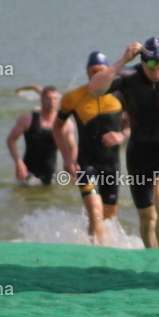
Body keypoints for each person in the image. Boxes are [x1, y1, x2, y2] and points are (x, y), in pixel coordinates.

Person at [88, 35, 159, 249]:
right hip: (138, 155)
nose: (157, 74)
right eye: (151, 69)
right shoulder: (129, 77)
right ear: (142, 62)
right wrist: (121, 61)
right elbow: (94, 89)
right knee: (147, 217)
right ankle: (152, 256)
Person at [54, 51, 127, 246]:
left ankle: (94, 246)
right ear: (87, 72)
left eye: (101, 70)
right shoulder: (73, 97)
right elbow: (57, 127)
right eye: (94, 71)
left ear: (108, 71)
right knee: (95, 211)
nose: (97, 74)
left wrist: (123, 135)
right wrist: (67, 158)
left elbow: (135, 122)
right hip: (86, 163)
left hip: (112, 165)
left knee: (108, 218)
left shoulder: (121, 94)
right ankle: (99, 254)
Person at [6, 86, 68, 185]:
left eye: (55, 99)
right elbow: (11, 140)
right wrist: (18, 162)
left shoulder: (64, 123)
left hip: (51, 174)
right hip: (27, 172)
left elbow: (72, 147)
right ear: (41, 99)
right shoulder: (27, 119)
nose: (52, 102)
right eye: (48, 99)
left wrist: (71, 164)